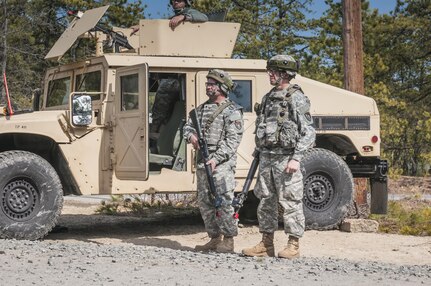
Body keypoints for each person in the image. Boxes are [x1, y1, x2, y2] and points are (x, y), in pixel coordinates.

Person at [242, 55, 316, 259]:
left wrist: (296, 158)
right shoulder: (268, 97)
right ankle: (266, 243)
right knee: (265, 200)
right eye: (270, 70)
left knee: (291, 201)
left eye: (273, 71)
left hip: (286, 158)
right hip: (266, 157)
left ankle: (293, 245)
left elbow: (308, 132)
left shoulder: (296, 97)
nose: (269, 74)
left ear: (285, 73)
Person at [183, 69, 243, 253]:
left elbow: (233, 140)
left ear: (222, 87)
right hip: (203, 162)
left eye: (212, 84)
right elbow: (187, 126)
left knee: (223, 201)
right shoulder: (200, 110)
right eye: (207, 83)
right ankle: (215, 238)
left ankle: (229, 239)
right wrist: (191, 136)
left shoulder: (231, 111)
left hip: (221, 164)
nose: (208, 86)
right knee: (205, 202)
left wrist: (216, 159)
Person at [149, 74, 181, 152]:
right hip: (166, 125)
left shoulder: (167, 85)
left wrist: (152, 132)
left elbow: (160, 110)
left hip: (164, 130)